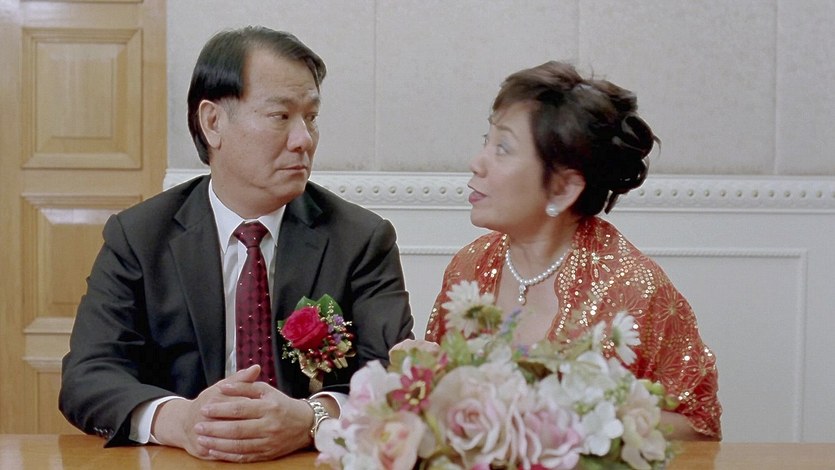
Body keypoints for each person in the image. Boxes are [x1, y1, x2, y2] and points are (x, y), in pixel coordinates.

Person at [59, 26, 413, 462]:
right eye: (280, 116)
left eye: (311, 117)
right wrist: (181, 421)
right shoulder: (140, 237)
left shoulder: (360, 239)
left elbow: (394, 373)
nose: (304, 139)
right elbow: (89, 375)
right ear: (213, 123)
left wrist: (310, 418)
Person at [425, 61, 721, 440]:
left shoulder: (635, 291)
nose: (477, 163)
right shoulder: (469, 267)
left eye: (503, 148)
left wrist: (576, 423)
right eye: (487, 139)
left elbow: (699, 429)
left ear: (564, 188)